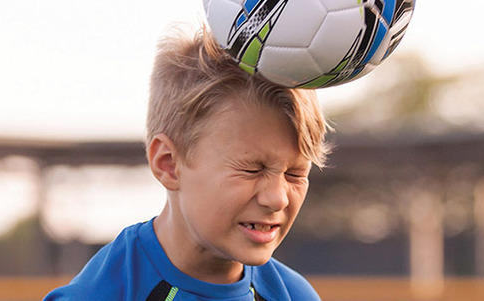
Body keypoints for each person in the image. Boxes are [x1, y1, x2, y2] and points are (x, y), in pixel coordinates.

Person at [44, 27, 330, 300]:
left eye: (295, 173)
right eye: (251, 169)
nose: (277, 198)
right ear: (168, 164)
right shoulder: (100, 295)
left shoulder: (294, 295)